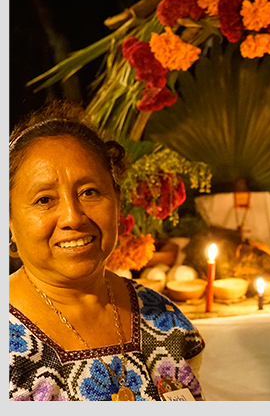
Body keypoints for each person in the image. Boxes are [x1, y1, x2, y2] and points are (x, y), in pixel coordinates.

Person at [9, 100, 205, 401]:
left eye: (89, 192)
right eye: (44, 199)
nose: (73, 216)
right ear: (9, 221)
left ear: (117, 201)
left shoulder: (164, 320)